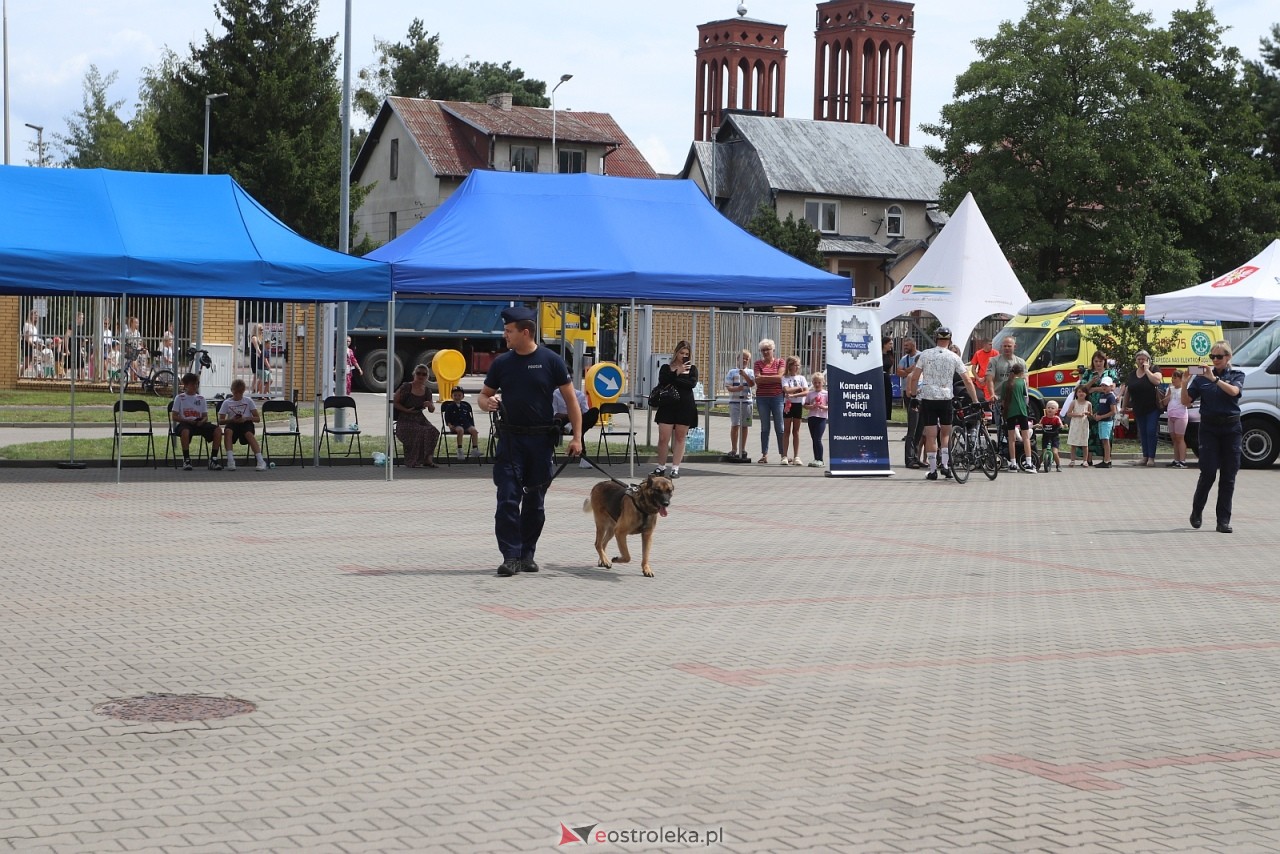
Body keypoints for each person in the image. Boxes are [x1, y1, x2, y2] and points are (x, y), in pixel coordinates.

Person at [477, 306, 582, 577]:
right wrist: (487, 402)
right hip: (511, 441)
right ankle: (510, 556)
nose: (505, 335)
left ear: (525, 332)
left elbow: (572, 402)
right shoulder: (502, 363)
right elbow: (483, 395)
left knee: (535, 502)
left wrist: (577, 438)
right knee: (507, 499)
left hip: (540, 441)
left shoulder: (551, 361)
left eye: (509, 331)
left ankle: (527, 554)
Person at [1183, 341, 1244, 533]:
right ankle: (1197, 511)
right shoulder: (1201, 377)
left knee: (1228, 475)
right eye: (1212, 357)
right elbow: (1186, 401)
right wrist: (1184, 383)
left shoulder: (1236, 375)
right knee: (1208, 472)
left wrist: (1214, 379)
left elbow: (1234, 392)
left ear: (1228, 357)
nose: (1215, 360)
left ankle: (1223, 520)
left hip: (1231, 428)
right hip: (1209, 428)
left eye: (1219, 356)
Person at [905, 327, 977, 481]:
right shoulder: (954, 357)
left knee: (930, 435)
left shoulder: (925, 354)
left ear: (935, 338)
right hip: (945, 398)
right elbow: (967, 380)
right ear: (949, 340)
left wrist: (913, 396)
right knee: (945, 434)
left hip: (928, 398)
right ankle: (944, 465)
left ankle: (932, 470)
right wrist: (975, 400)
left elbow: (915, 377)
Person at [652, 340, 699, 478]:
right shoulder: (666, 368)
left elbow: (691, 384)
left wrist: (674, 378)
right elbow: (663, 380)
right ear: (676, 353)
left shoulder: (692, 369)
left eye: (686, 354)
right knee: (663, 438)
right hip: (667, 405)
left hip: (685, 405)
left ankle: (675, 468)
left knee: (680, 437)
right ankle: (660, 467)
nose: (683, 356)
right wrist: (677, 372)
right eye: (681, 353)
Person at [985, 336, 1027, 470]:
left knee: (1021, 430)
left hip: (1017, 402)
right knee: (1001, 429)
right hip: (1001, 400)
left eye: (1009, 346)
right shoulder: (994, 361)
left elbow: (1025, 381)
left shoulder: (1020, 362)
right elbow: (989, 379)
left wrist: (1025, 398)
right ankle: (1003, 455)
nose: (1007, 348)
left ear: (1015, 347)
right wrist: (992, 394)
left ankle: (1020, 456)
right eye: (1005, 346)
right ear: (1001, 347)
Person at [171, 372, 224, 471]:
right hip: (185, 423)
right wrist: (187, 420)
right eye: (193, 384)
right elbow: (174, 416)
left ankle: (213, 459)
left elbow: (205, 416)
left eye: (197, 384)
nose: (195, 386)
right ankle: (186, 459)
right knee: (185, 431)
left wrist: (202, 421)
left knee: (218, 430)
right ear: (186, 385)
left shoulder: (201, 398)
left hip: (199, 423)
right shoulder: (180, 398)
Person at [393, 364, 440, 469]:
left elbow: (432, 410)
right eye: (418, 373)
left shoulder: (427, 391)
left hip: (419, 418)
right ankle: (413, 460)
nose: (421, 376)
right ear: (414, 374)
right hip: (405, 419)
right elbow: (395, 402)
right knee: (419, 431)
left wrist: (430, 405)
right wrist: (406, 410)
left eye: (424, 374)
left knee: (433, 431)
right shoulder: (406, 387)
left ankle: (428, 459)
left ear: (427, 377)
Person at [1121, 349, 1163, 466]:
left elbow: (1157, 381)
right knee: (1143, 432)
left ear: (1148, 360)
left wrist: (1147, 370)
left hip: (1152, 407)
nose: (1141, 361)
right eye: (1139, 359)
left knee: (1151, 431)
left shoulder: (1154, 369)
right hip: (1138, 408)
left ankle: (1151, 458)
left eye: (1143, 359)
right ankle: (1145, 456)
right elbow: (1128, 390)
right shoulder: (1132, 374)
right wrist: (1124, 406)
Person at [217, 378, 268, 471]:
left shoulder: (248, 401)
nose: (237, 395)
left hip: (246, 423)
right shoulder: (227, 402)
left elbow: (257, 418)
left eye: (240, 393)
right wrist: (231, 419)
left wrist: (246, 418)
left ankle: (260, 460)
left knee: (249, 434)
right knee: (228, 431)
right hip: (232, 423)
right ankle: (230, 460)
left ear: (243, 391)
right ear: (232, 390)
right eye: (235, 392)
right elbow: (220, 421)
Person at [1079, 352, 1119, 463]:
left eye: (1100, 361)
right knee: (1090, 431)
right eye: (1096, 361)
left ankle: (1106, 458)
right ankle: (1088, 458)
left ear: (1104, 362)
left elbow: (1112, 387)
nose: (1098, 363)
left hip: (1106, 405)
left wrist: (1094, 389)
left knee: (1105, 432)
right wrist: (1091, 382)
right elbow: (1083, 388)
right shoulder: (1088, 373)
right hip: (1091, 405)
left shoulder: (1110, 372)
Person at [754, 339, 786, 464]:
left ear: (773, 350)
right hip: (762, 398)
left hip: (777, 397)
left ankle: (783, 454)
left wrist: (764, 378)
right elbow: (757, 380)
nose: (766, 352)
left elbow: (780, 378)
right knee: (765, 427)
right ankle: (764, 454)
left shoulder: (780, 362)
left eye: (768, 349)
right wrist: (771, 378)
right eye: (763, 350)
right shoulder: (758, 363)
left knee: (780, 427)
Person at [1002, 363, 1036, 473]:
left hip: (1010, 412)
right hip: (1022, 411)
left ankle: (1013, 464)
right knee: (1026, 438)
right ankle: (1029, 463)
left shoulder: (1005, 384)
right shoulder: (1022, 382)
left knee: (1011, 439)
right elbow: (1026, 398)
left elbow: (1003, 401)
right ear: (1021, 373)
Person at [724, 349, 755, 462]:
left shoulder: (750, 372)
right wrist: (737, 388)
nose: (745, 360)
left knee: (745, 425)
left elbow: (751, 384)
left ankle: (743, 448)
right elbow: (728, 387)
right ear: (738, 359)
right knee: (735, 425)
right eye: (743, 358)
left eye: (747, 359)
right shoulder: (732, 372)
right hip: (735, 402)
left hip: (747, 402)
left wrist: (745, 375)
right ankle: (734, 448)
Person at [897, 337, 922, 467]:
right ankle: (909, 458)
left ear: (914, 345)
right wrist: (910, 370)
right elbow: (899, 372)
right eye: (904, 345)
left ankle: (916, 456)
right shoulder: (905, 360)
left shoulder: (921, 356)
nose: (905, 347)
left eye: (907, 345)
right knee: (912, 428)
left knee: (920, 429)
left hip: (923, 400)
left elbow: (903, 372)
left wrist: (905, 371)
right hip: (913, 399)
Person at [552, 385, 592, 468]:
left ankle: (571, 426)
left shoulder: (580, 394)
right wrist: (571, 416)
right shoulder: (555, 394)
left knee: (593, 412)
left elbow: (586, 412)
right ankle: (583, 458)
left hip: (577, 422)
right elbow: (554, 413)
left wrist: (577, 417)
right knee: (579, 427)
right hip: (561, 421)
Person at [781, 355, 810, 466]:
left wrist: (794, 395)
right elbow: (786, 390)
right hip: (788, 405)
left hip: (797, 405)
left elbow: (806, 392)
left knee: (796, 431)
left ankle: (796, 456)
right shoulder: (785, 378)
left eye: (798, 365)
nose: (797, 367)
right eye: (795, 365)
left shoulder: (801, 378)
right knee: (786, 430)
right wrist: (798, 388)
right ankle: (784, 456)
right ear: (790, 366)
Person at [443, 386, 483, 460]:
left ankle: (475, 449)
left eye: (459, 395)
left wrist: (472, 426)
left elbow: (469, 418)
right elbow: (447, 417)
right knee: (460, 430)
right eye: (455, 395)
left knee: (474, 431)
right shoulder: (449, 407)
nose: (457, 397)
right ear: (451, 396)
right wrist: (449, 425)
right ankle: (460, 450)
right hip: (455, 425)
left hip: (466, 424)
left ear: (463, 396)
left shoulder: (465, 406)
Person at [1163, 369, 1190, 469]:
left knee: (1180, 438)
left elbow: (1186, 403)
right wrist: (1169, 392)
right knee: (1174, 439)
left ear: (1181, 379)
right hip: (1171, 415)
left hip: (1180, 416)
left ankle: (1182, 461)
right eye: (1172, 378)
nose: (1173, 380)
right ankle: (1176, 460)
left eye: (1175, 378)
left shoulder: (1184, 389)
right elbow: (1165, 402)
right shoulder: (1170, 388)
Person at [1090, 375, 1118, 468]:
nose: (1104, 387)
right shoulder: (1102, 396)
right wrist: (1096, 415)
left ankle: (1107, 460)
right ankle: (1105, 459)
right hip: (1101, 421)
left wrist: (1101, 417)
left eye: (1106, 386)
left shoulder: (1111, 397)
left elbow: (1113, 411)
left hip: (1107, 421)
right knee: (1103, 440)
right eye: (1102, 385)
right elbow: (1101, 408)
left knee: (1106, 440)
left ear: (1111, 386)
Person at [804, 371, 829, 468]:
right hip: (812, 418)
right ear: (812, 383)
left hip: (821, 418)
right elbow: (805, 405)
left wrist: (823, 407)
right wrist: (812, 406)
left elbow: (830, 406)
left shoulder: (826, 394)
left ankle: (821, 460)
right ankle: (816, 458)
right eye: (815, 382)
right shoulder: (810, 394)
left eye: (819, 382)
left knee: (818, 439)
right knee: (814, 439)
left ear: (823, 382)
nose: (817, 384)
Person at [1065, 385, 1092, 466]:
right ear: (1076, 393)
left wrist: (1088, 414)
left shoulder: (1088, 403)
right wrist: (1077, 414)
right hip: (1075, 425)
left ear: (1086, 394)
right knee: (1073, 444)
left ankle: (1085, 461)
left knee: (1085, 443)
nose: (1081, 393)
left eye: (1083, 392)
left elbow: (1091, 415)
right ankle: (1072, 460)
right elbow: (1068, 413)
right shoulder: (1074, 402)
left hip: (1084, 425)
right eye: (1079, 392)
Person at [969, 336, 998, 401]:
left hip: (989, 381)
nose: (991, 346)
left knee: (988, 400)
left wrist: (985, 378)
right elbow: (973, 369)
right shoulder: (978, 353)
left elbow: (997, 368)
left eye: (992, 344)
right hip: (979, 382)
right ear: (984, 344)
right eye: (990, 344)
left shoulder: (995, 353)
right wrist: (978, 378)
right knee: (979, 399)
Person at [1039, 399, 1063, 472]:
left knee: (1055, 452)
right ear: (1046, 409)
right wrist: (1039, 426)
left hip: (1054, 437)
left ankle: (1058, 465)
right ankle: (1037, 465)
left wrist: (1062, 426)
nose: (1050, 409)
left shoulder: (1056, 418)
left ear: (1056, 411)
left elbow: (1060, 425)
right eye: (1048, 408)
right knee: (1044, 452)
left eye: (1052, 408)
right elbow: (1040, 424)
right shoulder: (1044, 418)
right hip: (1046, 436)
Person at [249, 323, 271, 395]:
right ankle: (254, 391)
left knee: (259, 375)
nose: (262, 331)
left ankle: (256, 390)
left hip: (259, 357)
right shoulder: (254, 338)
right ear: (257, 330)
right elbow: (257, 349)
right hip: (256, 358)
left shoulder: (260, 338)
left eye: (262, 329)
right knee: (256, 375)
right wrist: (263, 355)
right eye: (261, 329)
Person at [22, 309, 42, 377]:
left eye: (37, 315)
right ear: (30, 316)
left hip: (34, 344)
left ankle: (39, 375)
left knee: (36, 360)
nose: (36, 316)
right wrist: (33, 345)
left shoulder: (34, 327)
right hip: (29, 345)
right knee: (27, 364)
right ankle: (18, 375)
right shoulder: (27, 325)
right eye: (35, 314)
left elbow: (34, 338)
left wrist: (39, 344)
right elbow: (27, 337)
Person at [881, 337, 896, 411]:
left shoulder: (890, 354)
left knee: (888, 397)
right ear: (884, 344)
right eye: (890, 344)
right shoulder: (878, 355)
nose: (891, 346)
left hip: (887, 378)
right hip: (880, 378)